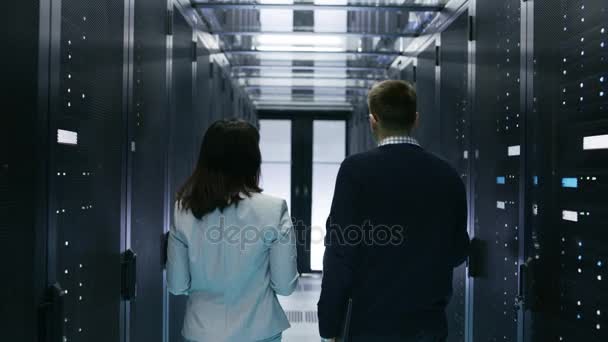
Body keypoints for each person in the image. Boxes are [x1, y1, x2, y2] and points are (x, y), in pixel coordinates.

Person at [318, 80, 470, 342]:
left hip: (370, 324)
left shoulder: (355, 171)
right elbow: (458, 251)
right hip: (428, 325)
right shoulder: (447, 174)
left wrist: (329, 324)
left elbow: (341, 253)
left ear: (373, 119)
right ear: (416, 119)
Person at [167, 119, 299, 342]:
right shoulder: (273, 209)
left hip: (201, 331)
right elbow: (285, 285)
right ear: (253, 160)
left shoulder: (183, 210)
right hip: (260, 331)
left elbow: (177, 285)